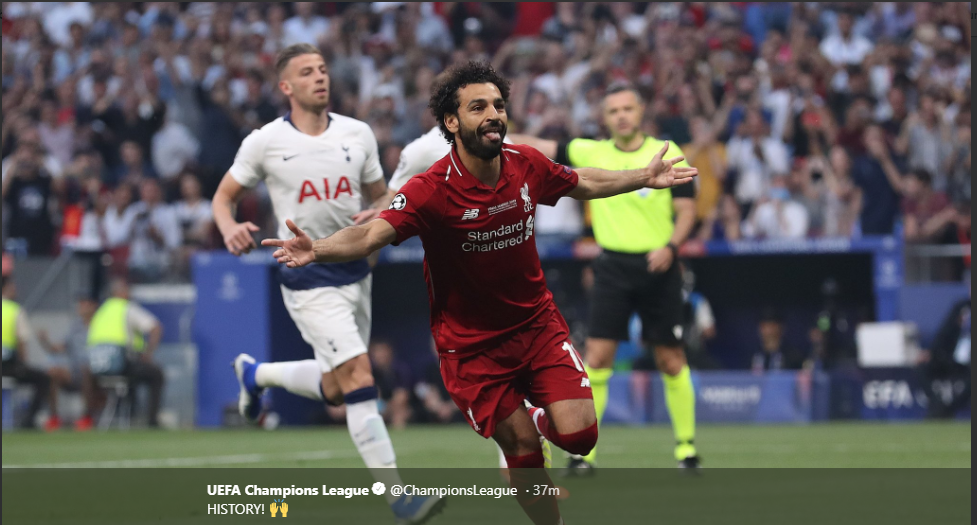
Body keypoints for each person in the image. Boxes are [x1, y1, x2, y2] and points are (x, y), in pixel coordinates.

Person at [262, 61, 696, 525]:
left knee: (582, 438)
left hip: (537, 329)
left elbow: (581, 180)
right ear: (452, 121)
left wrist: (642, 178)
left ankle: (543, 418)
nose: (493, 114)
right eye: (478, 107)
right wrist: (319, 248)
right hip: (472, 349)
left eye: (498, 105)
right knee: (522, 450)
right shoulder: (430, 189)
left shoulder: (524, 163)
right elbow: (371, 236)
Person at [210, 44, 442, 524]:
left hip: (356, 273)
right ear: (286, 87)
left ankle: (256, 375)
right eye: (306, 72)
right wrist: (228, 225)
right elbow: (224, 197)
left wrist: (383, 215)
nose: (320, 77)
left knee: (338, 389)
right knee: (360, 376)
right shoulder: (265, 141)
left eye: (322, 69)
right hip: (306, 275)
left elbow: (380, 200)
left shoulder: (357, 135)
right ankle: (400, 497)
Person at [509, 82, 702, 471]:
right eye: (613, 111)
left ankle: (686, 449)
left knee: (670, 359)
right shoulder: (588, 150)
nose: (621, 116)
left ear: (641, 110)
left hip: (659, 265)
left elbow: (687, 210)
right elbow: (538, 147)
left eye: (627, 109)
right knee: (596, 359)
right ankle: (585, 456)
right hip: (612, 266)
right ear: (605, 117)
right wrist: (496, 134)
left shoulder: (666, 151)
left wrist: (671, 247)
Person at [86, 278, 164, 427]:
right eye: (126, 289)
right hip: (121, 364)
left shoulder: (101, 312)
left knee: (131, 377)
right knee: (156, 374)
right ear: (120, 292)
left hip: (98, 369)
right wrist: (148, 353)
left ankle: (95, 416)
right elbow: (155, 328)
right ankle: (152, 420)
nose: (129, 293)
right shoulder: (126, 308)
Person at [36, 294, 101, 431]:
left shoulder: (101, 324)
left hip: (97, 371)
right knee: (53, 372)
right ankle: (54, 418)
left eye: (84, 303)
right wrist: (44, 341)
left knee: (86, 370)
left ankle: (86, 418)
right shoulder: (75, 327)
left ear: (93, 306)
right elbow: (57, 349)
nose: (81, 307)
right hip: (75, 373)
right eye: (79, 304)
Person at [1, 275, 53, 429]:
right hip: (8, 366)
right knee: (44, 379)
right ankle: (29, 421)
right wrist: (23, 364)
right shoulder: (14, 310)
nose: (15, 289)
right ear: (6, 288)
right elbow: (22, 342)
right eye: (13, 286)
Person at [751, 309, 805, 373]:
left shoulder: (793, 357)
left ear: (781, 328)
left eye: (772, 326)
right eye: (764, 326)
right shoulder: (753, 356)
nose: (769, 331)